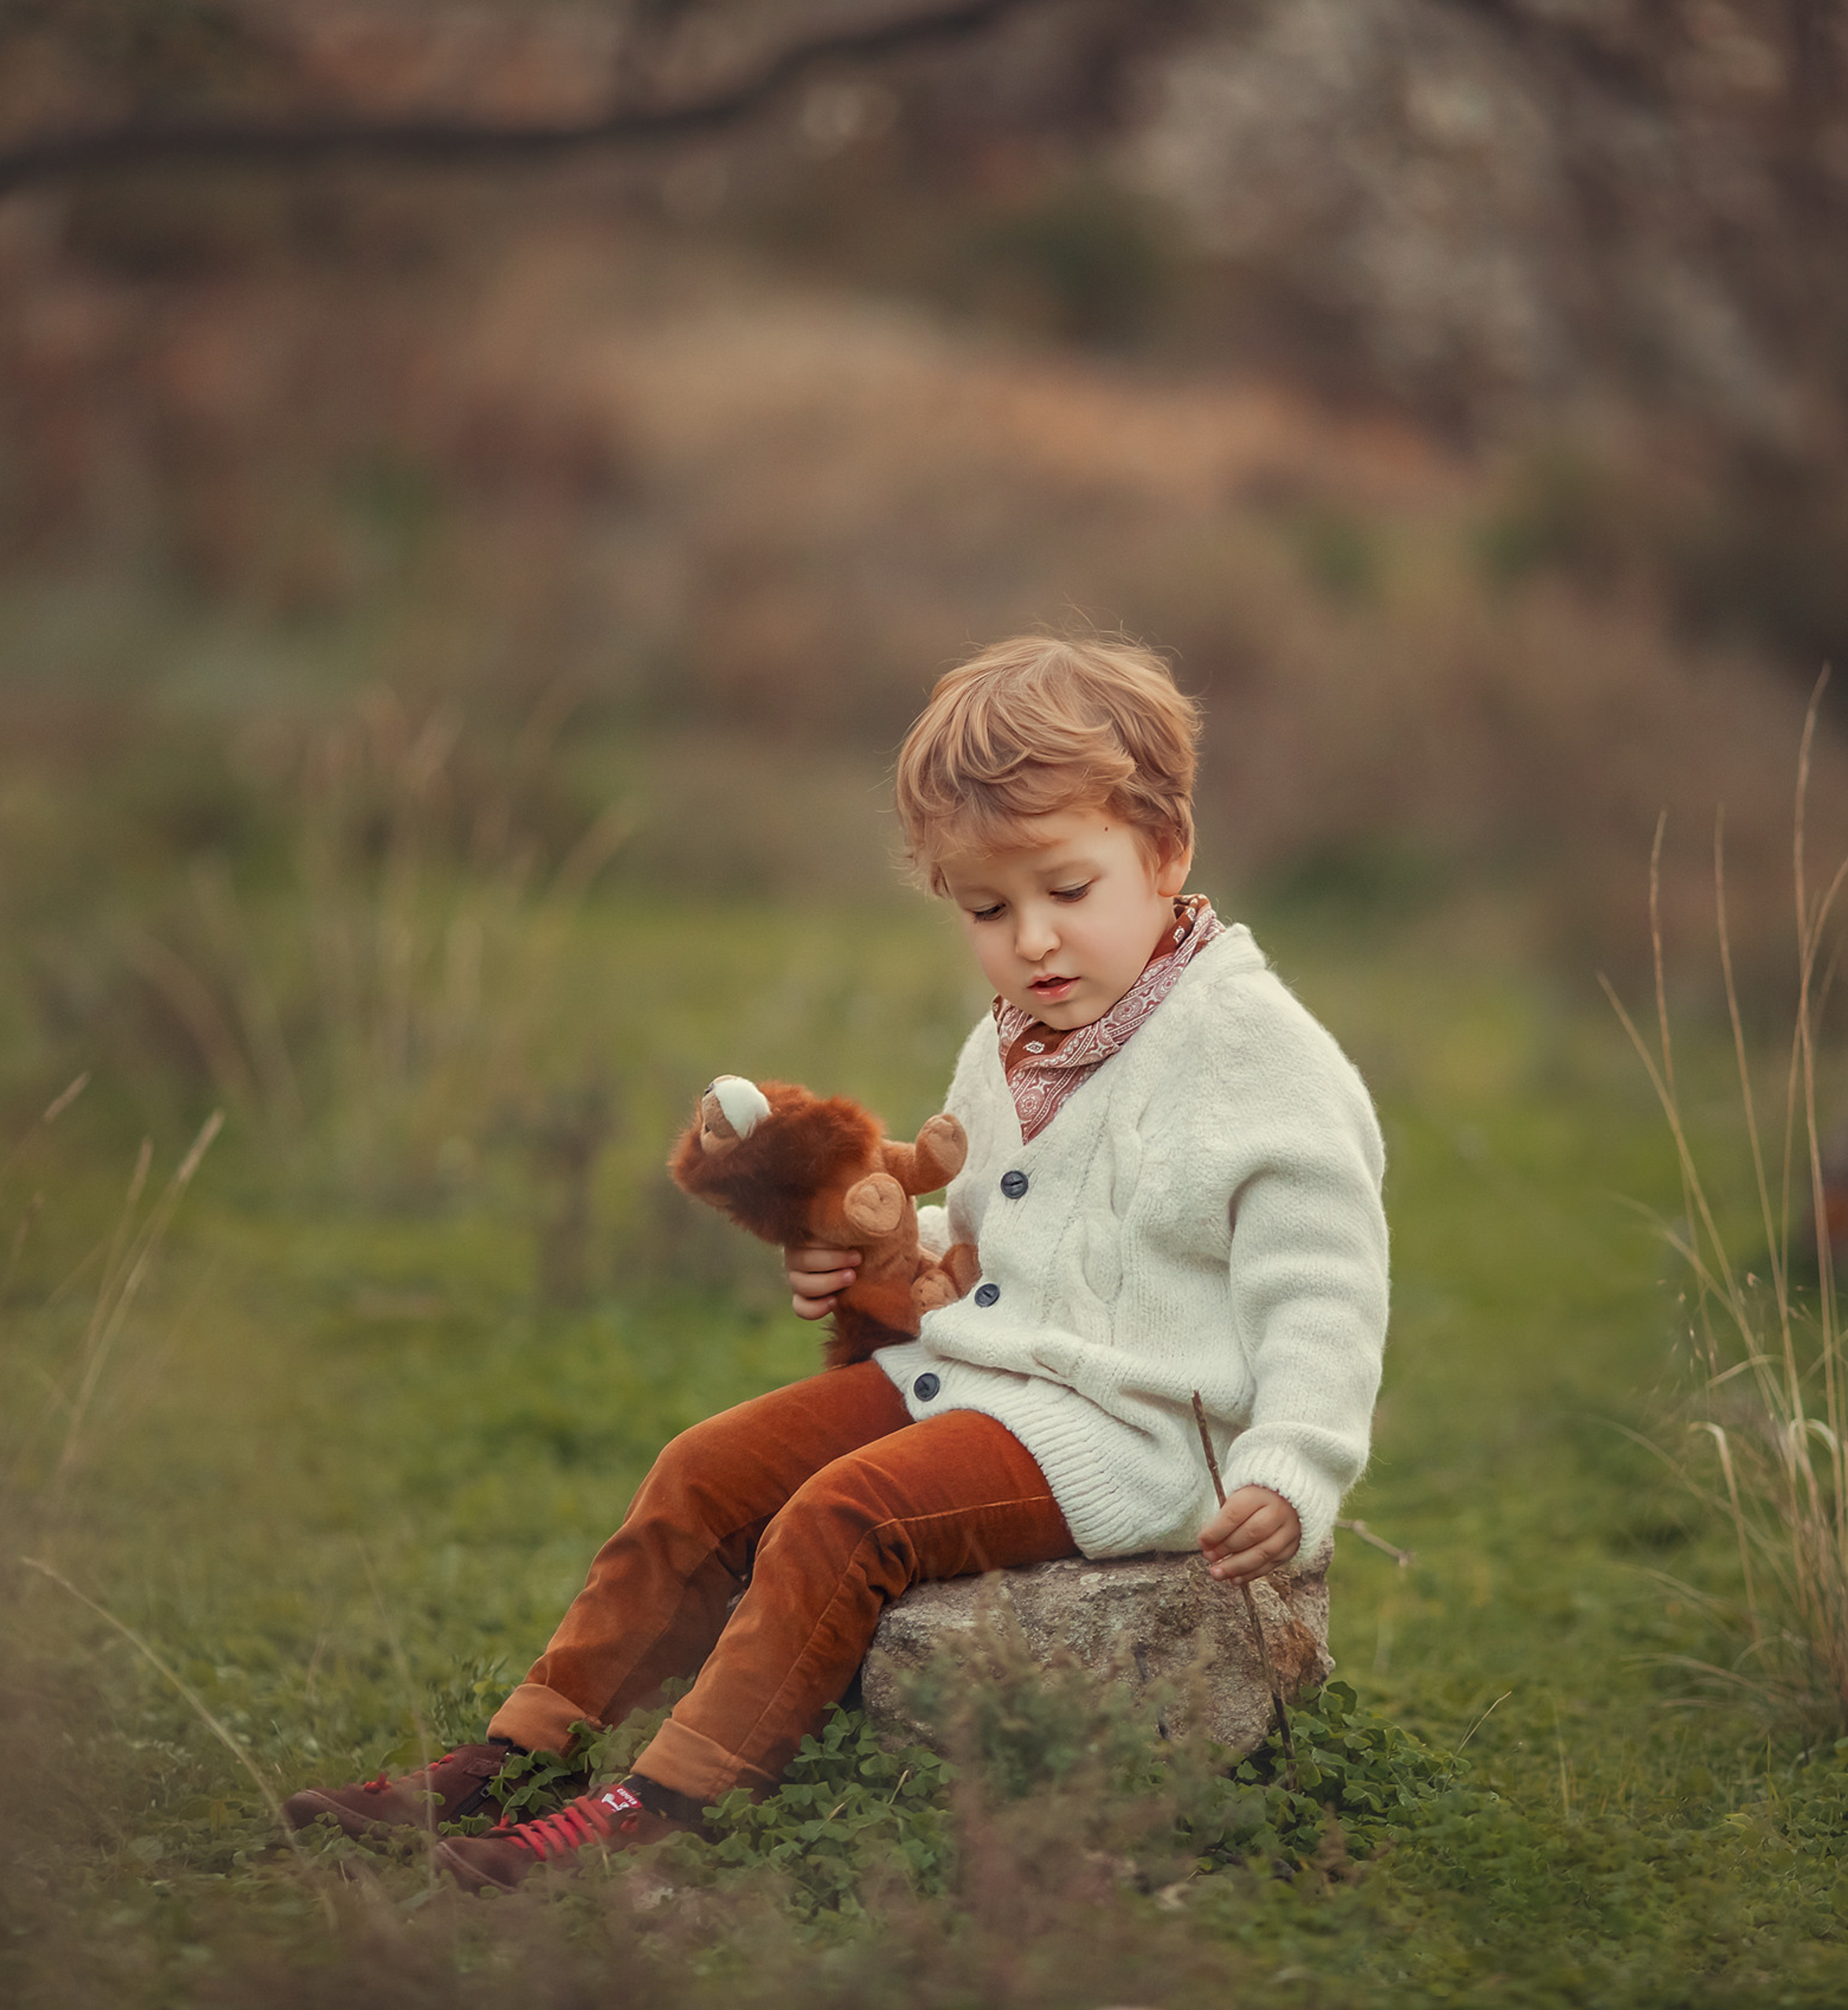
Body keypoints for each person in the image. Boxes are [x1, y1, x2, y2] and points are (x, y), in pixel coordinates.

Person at [283, 633, 1389, 1890]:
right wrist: (886, 1255)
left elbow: (1325, 1280)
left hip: (1131, 1428)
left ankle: (664, 1812)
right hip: (985, 1376)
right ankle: (524, 1759)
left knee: (845, 1515)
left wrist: (1294, 1464)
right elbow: (997, 1235)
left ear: (1166, 850)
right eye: (987, 909)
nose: (1032, 940)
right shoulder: (1025, 1036)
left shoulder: (1254, 1053)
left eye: (1068, 890)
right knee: (704, 1471)